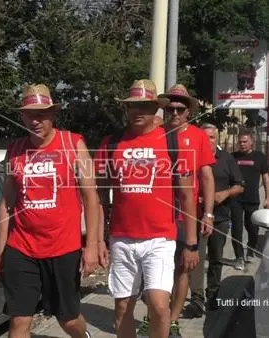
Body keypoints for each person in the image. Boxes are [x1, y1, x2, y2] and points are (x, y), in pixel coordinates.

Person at [95, 79, 199, 338]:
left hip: (160, 239)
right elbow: (98, 196)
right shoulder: (111, 143)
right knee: (122, 307)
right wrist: (97, 240)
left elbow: (186, 196)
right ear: (126, 109)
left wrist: (191, 244)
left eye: (146, 106)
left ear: (156, 108)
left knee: (159, 306)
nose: (138, 111)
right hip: (122, 238)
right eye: (133, 106)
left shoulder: (172, 141)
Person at [0, 84, 99, 338]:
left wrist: (93, 246)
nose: (35, 120)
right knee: (19, 320)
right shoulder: (15, 150)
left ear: (53, 115)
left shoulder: (73, 144)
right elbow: (7, 203)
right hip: (22, 247)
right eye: (30, 114)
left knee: (68, 319)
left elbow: (90, 197)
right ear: (22, 116)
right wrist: (1, 251)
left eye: (42, 114)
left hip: (63, 247)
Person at [149, 84, 215, 337]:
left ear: (189, 111)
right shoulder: (156, 134)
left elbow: (207, 178)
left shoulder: (198, 136)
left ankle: (173, 320)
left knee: (183, 268)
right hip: (158, 214)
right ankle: (158, 316)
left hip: (186, 215)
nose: (174, 113)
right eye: (170, 109)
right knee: (156, 271)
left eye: (180, 109)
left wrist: (208, 214)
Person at [201, 123, 244, 309]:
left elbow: (240, 185)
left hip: (220, 217)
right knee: (193, 258)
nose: (208, 141)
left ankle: (213, 294)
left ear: (216, 140)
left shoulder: (226, 159)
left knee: (216, 258)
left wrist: (224, 194)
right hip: (194, 216)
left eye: (211, 137)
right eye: (205, 137)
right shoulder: (191, 156)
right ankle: (195, 298)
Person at [231, 129, 269, 270]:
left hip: (252, 198)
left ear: (251, 142)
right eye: (240, 142)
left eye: (245, 141)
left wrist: (267, 197)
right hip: (235, 199)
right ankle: (239, 257)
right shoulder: (233, 157)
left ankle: (250, 249)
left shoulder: (259, 157)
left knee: (253, 228)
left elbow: (266, 178)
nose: (242, 144)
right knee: (236, 229)